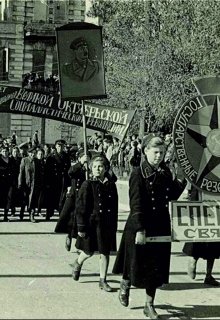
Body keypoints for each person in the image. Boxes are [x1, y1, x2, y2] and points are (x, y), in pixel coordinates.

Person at [112, 135, 186, 319]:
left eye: (161, 152)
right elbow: (135, 203)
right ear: (145, 151)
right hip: (140, 223)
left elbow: (171, 195)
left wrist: (182, 180)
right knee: (134, 261)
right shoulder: (137, 173)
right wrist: (140, 229)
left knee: (156, 266)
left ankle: (149, 304)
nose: (159, 156)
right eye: (155, 152)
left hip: (160, 224)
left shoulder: (165, 172)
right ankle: (125, 284)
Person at [71, 154, 118, 292]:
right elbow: (81, 207)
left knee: (105, 252)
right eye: (95, 167)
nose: (98, 169)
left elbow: (114, 207)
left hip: (106, 224)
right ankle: (78, 262)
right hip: (91, 224)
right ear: (91, 169)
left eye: (101, 166)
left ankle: (103, 280)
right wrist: (81, 226)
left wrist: (114, 226)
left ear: (105, 169)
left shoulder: (111, 185)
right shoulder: (88, 184)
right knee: (89, 251)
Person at [182, 184, 220, 287]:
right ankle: (206, 272)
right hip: (208, 197)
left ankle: (198, 265)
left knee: (209, 237)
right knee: (208, 236)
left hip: (207, 198)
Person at [54, 149, 91, 251]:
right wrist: (81, 163)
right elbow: (70, 172)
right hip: (74, 196)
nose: (86, 159)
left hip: (85, 198)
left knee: (83, 221)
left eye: (88, 157)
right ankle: (69, 236)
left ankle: (79, 244)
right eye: (84, 157)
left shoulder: (91, 169)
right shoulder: (76, 167)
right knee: (71, 219)